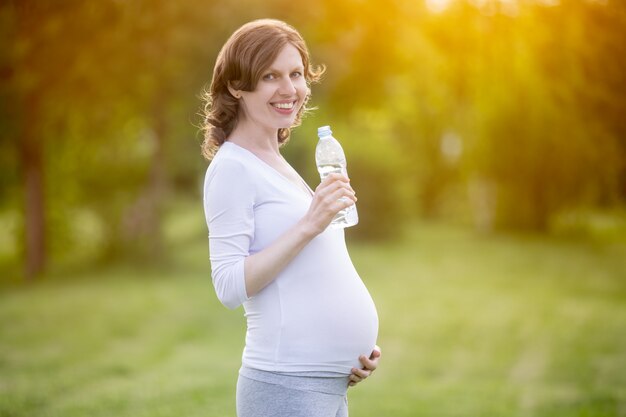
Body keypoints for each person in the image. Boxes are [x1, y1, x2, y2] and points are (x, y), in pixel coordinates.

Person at [200, 19, 380, 417]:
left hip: (324, 386)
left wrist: (350, 351)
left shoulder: (276, 164)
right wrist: (309, 224)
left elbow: (314, 274)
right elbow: (228, 285)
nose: (290, 89)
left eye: (296, 74)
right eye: (270, 76)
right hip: (286, 387)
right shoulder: (232, 168)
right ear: (236, 86)